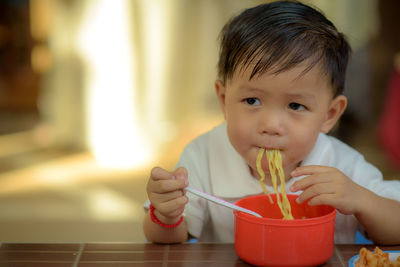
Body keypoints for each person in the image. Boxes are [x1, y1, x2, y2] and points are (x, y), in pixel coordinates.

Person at [143, 0, 400, 244]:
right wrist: (166, 215)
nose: (271, 125)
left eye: (296, 106)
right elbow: (168, 238)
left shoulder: (342, 165)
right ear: (223, 100)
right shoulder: (203, 155)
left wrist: (363, 200)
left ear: (330, 115)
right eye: (252, 101)